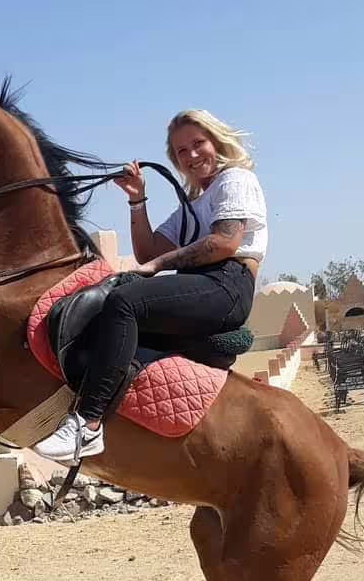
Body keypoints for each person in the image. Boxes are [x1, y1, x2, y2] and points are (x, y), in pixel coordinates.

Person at [33, 109, 268, 464]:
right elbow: (148, 249)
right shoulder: (193, 205)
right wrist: (136, 198)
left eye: (197, 144)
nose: (191, 155)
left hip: (227, 284)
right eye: (181, 151)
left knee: (125, 302)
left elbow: (225, 242)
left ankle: (88, 425)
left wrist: (157, 266)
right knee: (113, 309)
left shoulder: (234, 180)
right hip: (200, 282)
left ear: (216, 141)